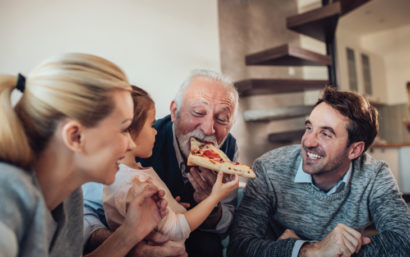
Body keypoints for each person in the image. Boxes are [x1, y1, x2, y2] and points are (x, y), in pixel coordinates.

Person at [0, 53, 168, 257]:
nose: (131, 144)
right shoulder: (7, 196)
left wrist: (129, 234)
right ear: (75, 136)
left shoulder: (71, 196)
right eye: (123, 129)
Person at [228, 87, 410, 257]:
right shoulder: (268, 169)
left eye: (326, 134)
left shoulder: (374, 175)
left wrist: (317, 250)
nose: (308, 142)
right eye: (309, 128)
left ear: (354, 150)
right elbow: (239, 247)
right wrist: (310, 250)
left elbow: (404, 240)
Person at [84, 69, 240, 257]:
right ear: (174, 112)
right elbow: (84, 211)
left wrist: (211, 206)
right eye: (198, 113)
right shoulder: (137, 141)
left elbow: (231, 226)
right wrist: (130, 242)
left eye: (221, 119)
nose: (208, 129)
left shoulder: (228, 149)